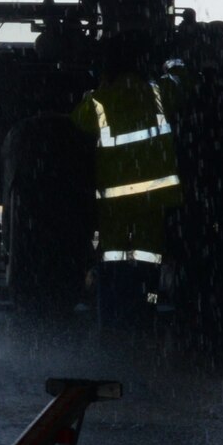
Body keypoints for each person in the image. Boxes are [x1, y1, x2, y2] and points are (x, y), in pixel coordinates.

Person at [72, 27, 181, 331]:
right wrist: (174, 63)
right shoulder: (160, 93)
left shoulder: (97, 103)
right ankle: (145, 313)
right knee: (149, 261)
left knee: (113, 260)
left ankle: (111, 320)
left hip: (115, 204)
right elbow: (186, 84)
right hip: (154, 200)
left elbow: (76, 121)